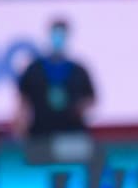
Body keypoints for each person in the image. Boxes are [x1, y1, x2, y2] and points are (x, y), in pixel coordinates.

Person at [14, 19, 95, 160]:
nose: (58, 39)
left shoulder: (78, 70)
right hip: (40, 134)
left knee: (74, 171)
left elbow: (91, 98)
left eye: (61, 34)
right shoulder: (34, 70)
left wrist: (79, 108)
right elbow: (22, 101)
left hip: (71, 134)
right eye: (55, 34)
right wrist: (20, 128)